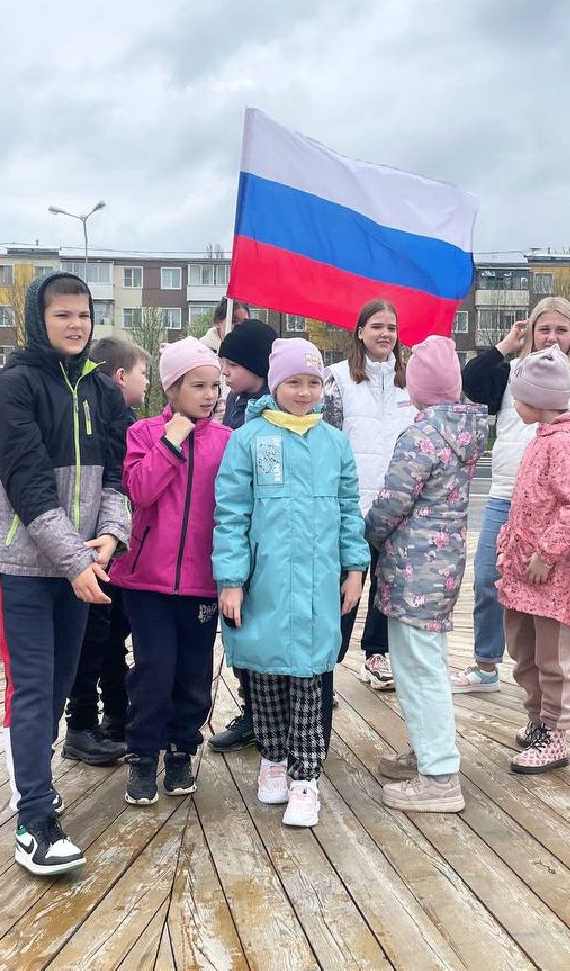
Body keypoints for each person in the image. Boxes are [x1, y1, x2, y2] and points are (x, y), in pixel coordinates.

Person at [0, 272, 131, 876]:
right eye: (62, 314)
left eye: (84, 315)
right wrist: (74, 561)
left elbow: (118, 476)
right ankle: (34, 818)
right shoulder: (12, 389)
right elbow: (28, 485)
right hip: (25, 564)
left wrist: (112, 539)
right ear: (37, 319)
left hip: (84, 567)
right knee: (34, 687)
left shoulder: (103, 391)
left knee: (65, 679)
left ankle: (33, 786)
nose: (75, 325)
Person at [213, 339, 369, 828]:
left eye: (313, 382)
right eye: (294, 382)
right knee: (264, 676)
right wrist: (232, 579)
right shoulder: (249, 440)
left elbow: (349, 510)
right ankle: (273, 759)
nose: (304, 392)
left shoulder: (334, 443)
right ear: (276, 384)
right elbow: (231, 515)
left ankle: (306, 777)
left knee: (308, 677)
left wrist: (355, 567)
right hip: (265, 584)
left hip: (318, 583)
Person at [455, 297, 570, 694]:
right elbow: (470, 383)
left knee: (548, 591)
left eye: (562, 329)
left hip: (553, 506)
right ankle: (487, 664)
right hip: (506, 493)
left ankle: (551, 673)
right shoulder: (512, 372)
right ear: (531, 332)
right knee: (489, 579)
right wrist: (506, 346)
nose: (552, 337)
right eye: (544, 329)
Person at [365, 337, 486, 813]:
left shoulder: (420, 437)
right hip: (443, 564)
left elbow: (393, 502)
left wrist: (366, 534)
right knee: (423, 662)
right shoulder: (465, 431)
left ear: (417, 388)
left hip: (413, 567)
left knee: (419, 670)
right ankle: (426, 750)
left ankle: (439, 778)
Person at [114, 338, 232, 805]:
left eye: (214, 386)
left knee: (192, 673)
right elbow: (140, 491)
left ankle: (183, 749)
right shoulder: (143, 434)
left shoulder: (227, 442)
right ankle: (143, 755)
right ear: (171, 387)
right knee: (154, 668)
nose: (209, 395)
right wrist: (172, 440)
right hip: (147, 581)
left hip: (203, 582)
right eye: (197, 385)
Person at [493, 349, 570, 776]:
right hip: (523, 573)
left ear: (536, 400)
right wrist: (507, 545)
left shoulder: (568, 443)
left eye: (518, 398)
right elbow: (524, 505)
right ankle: (536, 718)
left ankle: (555, 733)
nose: (514, 404)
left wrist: (545, 553)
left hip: (553, 576)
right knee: (524, 648)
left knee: (554, 655)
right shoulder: (542, 440)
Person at [323, 299, 416, 694]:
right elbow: (326, 438)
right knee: (345, 587)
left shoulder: (409, 381)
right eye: (376, 326)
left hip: (395, 503)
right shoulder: (338, 378)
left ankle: (375, 653)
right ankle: (327, 662)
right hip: (351, 505)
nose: (385, 334)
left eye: (391, 328)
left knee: (386, 584)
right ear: (359, 331)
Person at [63, 335, 148, 766]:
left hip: (114, 544)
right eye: (141, 373)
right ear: (119, 377)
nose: (147, 381)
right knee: (93, 635)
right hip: (95, 543)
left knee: (112, 631)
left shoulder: (118, 417)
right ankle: (81, 724)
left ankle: (115, 713)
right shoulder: (110, 421)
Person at [208, 316, 278, 753]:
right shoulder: (235, 402)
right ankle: (253, 709)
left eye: (232, 364)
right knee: (241, 624)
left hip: (268, 535)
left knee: (266, 626)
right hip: (237, 534)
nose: (225, 372)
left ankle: (268, 713)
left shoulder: (275, 408)